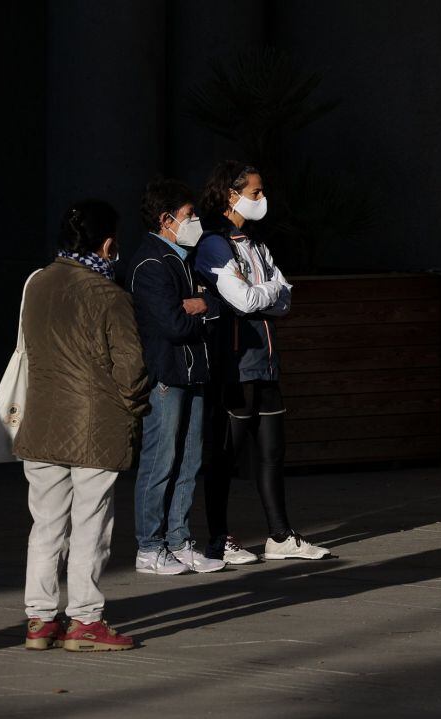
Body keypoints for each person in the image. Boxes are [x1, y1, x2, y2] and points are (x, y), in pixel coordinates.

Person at [14, 200, 150, 651]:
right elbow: (130, 368)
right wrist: (135, 408)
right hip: (96, 426)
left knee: (46, 524)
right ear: (108, 243)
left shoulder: (36, 284)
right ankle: (85, 621)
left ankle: (40, 619)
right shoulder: (110, 296)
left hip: (42, 421)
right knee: (90, 525)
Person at [194, 160, 330, 562]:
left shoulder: (254, 242)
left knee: (272, 452)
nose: (262, 199)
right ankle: (218, 538)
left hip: (266, 362)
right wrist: (270, 290)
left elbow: (283, 299)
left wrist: (266, 290)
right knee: (225, 457)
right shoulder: (214, 242)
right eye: (255, 192)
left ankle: (280, 535)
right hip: (236, 365)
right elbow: (244, 299)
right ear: (231, 195)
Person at [126, 179, 225, 575]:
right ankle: (149, 547)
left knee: (189, 460)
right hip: (168, 373)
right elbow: (172, 324)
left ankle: (178, 540)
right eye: (189, 215)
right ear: (167, 220)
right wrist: (204, 312)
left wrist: (203, 306)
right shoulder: (152, 263)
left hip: (193, 370)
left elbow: (212, 306)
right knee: (160, 461)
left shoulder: (181, 257)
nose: (195, 221)